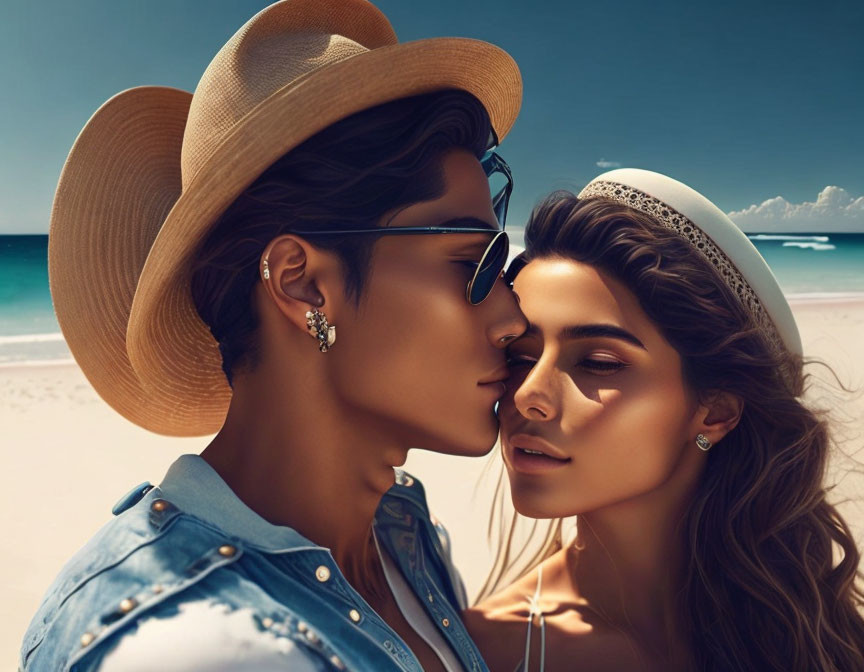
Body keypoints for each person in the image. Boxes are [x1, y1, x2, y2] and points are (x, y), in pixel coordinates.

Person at [19, 1, 527, 670]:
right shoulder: (193, 647)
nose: (513, 317)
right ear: (302, 283)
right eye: (471, 264)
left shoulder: (405, 535)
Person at [463, 169, 864, 671]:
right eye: (520, 355)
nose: (528, 396)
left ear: (715, 410)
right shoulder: (485, 654)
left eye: (600, 363)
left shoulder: (811, 627)